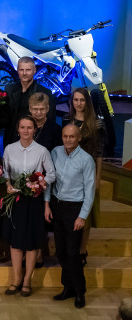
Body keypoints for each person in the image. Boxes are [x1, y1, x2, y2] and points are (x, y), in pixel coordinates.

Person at [2, 116, 56, 298]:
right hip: (16, 200)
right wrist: (8, 184)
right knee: (16, 242)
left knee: (32, 243)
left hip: (33, 201)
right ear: (18, 129)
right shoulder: (9, 149)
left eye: (29, 127)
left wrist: (40, 183)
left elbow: (52, 174)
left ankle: (27, 280)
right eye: (22, 127)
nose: (26, 131)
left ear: (34, 130)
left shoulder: (42, 151)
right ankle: (16, 279)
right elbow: (5, 172)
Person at [45, 124, 94, 309]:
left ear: (79, 138)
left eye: (72, 137)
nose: (67, 139)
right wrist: (47, 203)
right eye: (65, 136)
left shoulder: (86, 160)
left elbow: (89, 192)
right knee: (61, 251)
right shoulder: (55, 152)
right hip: (57, 206)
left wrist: (82, 217)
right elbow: (50, 180)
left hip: (75, 209)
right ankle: (68, 287)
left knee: (73, 253)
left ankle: (80, 291)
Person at [64, 87, 106, 261]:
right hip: (70, 173)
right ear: (72, 102)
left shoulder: (96, 123)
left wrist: (97, 179)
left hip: (88, 174)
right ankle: (71, 247)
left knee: (85, 215)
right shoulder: (67, 120)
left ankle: (82, 249)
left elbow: (99, 153)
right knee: (71, 212)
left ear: (87, 102)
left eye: (82, 100)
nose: (79, 103)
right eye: (76, 100)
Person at [4, 57, 55, 145]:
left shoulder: (45, 92)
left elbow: (50, 121)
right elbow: (4, 116)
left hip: (34, 142)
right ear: (17, 70)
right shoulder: (9, 89)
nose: (24, 73)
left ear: (34, 70)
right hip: (11, 140)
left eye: (28, 70)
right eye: (21, 70)